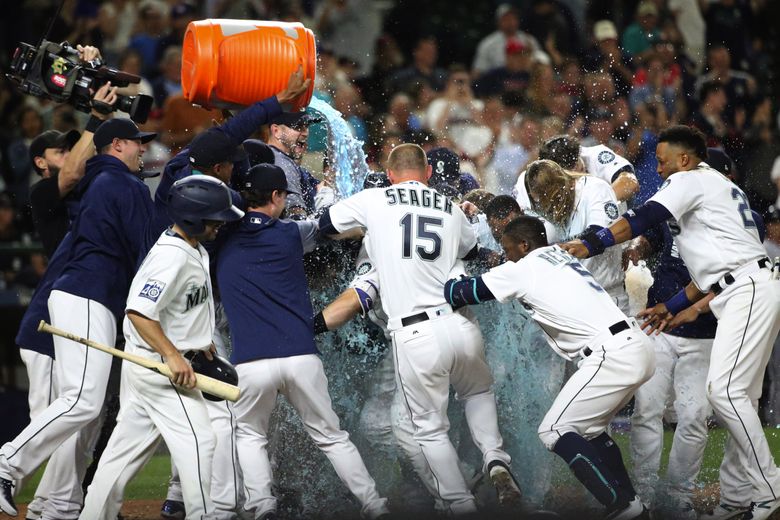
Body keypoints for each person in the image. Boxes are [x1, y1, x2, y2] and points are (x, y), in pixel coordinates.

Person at [561, 125, 780, 520]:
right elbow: (713, 273)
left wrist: (592, 242)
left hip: (747, 289)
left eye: (662, 161)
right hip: (744, 284)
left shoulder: (691, 178)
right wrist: (673, 304)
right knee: (737, 398)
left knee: (725, 394)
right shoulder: (714, 188)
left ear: (684, 158)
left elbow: (642, 217)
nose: (658, 170)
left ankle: (770, 488)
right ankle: (735, 498)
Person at [318, 143, 521, 515]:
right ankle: (494, 457)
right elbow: (471, 251)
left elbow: (325, 225)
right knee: (477, 392)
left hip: (416, 334)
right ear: (428, 174)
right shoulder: (449, 207)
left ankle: (460, 504)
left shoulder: (376, 200)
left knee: (427, 430)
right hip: (461, 324)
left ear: (390, 175)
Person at [444, 215, 654, 520]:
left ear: (524, 245)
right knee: (591, 431)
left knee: (553, 430)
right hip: (634, 345)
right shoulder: (559, 254)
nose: (506, 255)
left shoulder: (523, 268)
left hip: (611, 354)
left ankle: (623, 506)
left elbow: (459, 294)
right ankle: (632, 503)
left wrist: (446, 274)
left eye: (508, 248)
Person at [0, 118, 156, 517]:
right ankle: (7, 465)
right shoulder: (122, 185)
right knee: (82, 403)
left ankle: (58, 506)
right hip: (88, 294)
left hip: (83, 296)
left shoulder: (97, 183)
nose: (144, 150)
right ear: (118, 145)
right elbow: (147, 257)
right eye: (138, 143)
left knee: (85, 413)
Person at [216, 164, 389, 520]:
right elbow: (341, 229)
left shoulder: (220, 239)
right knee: (332, 437)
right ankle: (374, 505)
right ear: (276, 196)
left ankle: (263, 508)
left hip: (249, 361)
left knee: (249, 436)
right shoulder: (292, 233)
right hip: (299, 355)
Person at [79, 176, 243, 520]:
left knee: (122, 454)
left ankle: (92, 516)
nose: (220, 224)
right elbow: (139, 311)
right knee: (200, 440)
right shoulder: (172, 256)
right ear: (195, 218)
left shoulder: (191, 247)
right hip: (164, 369)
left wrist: (200, 337)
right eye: (214, 217)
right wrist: (172, 353)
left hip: (153, 364)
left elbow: (178, 306)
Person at [14, 72, 118, 520]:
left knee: (83, 423)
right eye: (61, 149)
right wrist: (94, 116)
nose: (73, 154)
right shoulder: (44, 192)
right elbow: (78, 165)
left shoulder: (89, 191)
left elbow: (93, 156)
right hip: (48, 325)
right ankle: (49, 505)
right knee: (68, 418)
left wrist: (94, 75)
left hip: (76, 317)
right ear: (41, 162)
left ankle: (56, 506)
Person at [623, 212, 717, 516]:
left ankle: (679, 496)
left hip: (704, 332)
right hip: (657, 327)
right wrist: (639, 247)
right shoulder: (674, 203)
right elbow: (654, 236)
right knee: (647, 411)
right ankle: (643, 495)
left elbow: (733, 276)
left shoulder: (731, 218)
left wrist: (698, 309)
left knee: (693, 416)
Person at [522, 159, 629, 313]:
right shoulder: (545, 204)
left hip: (606, 296)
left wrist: (559, 249)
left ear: (560, 186)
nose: (545, 206)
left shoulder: (594, 189)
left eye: (548, 200)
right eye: (539, 201)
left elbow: (601, 233)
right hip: (571, 299)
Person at [266, 111, 326, 218]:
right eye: (298, 127)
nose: (305, 133)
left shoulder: (278, 158)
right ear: (276, 131)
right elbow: (296, 215)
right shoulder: (283, 166)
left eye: (306, 127)